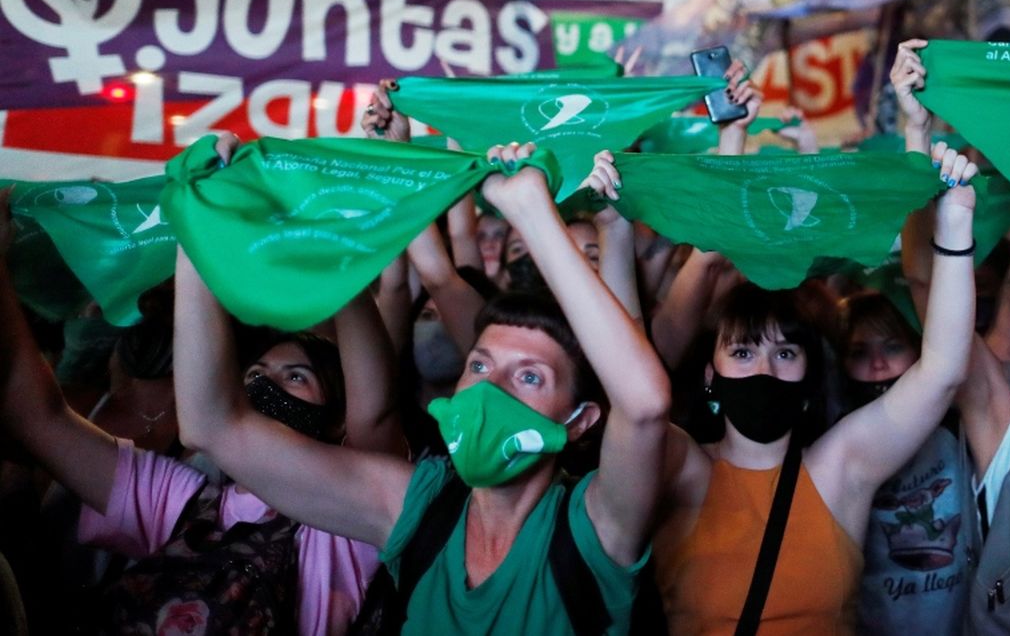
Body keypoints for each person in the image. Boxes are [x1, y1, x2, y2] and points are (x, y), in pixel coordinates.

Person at [169, 140, 669, 635]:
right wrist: (196, 225)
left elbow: (644, 405)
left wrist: (534, 214)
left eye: (530, 376)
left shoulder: (594, 530)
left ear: (578, 420)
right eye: (479, 365)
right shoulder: (419, 508)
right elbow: (211, 426)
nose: (489, 391)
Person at [585, 142, 979, 635]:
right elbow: (628, 382)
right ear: (711, 375)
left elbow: (941, 371)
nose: (764, 369)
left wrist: (956, 225)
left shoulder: (841, 467)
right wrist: (614, 231)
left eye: (785, 353)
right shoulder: (681, 466)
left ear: (810, 378)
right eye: (744, 352)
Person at [0, 186, 395, 635]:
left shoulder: (347, 517)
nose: (267, 382)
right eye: (257, 372)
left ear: (339, 418)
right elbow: (38, 417)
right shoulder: (183, 505)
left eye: (296, 377)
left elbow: (375, 414)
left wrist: (339, 250)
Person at [836, 292, 975, 636]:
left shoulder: (961, 425)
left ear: (918, 351)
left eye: (893, 346)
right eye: (859, 352)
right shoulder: (835, 445)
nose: (878, 364)